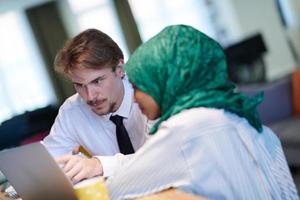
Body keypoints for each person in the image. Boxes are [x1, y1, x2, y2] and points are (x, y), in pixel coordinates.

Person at [106, 25, 299, 199]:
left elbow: (116, 189)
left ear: (166, 79)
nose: (133, 98)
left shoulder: (183, 128)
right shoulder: (250, 121)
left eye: (138, 86)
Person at [42, 29, 148, 183]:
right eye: (79, 85)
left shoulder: (149, 94)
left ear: (119, 69)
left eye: (97, 81)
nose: (90, 96)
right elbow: (51, 164)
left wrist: (99, 165)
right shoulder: (72, 111)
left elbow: (160, 158)